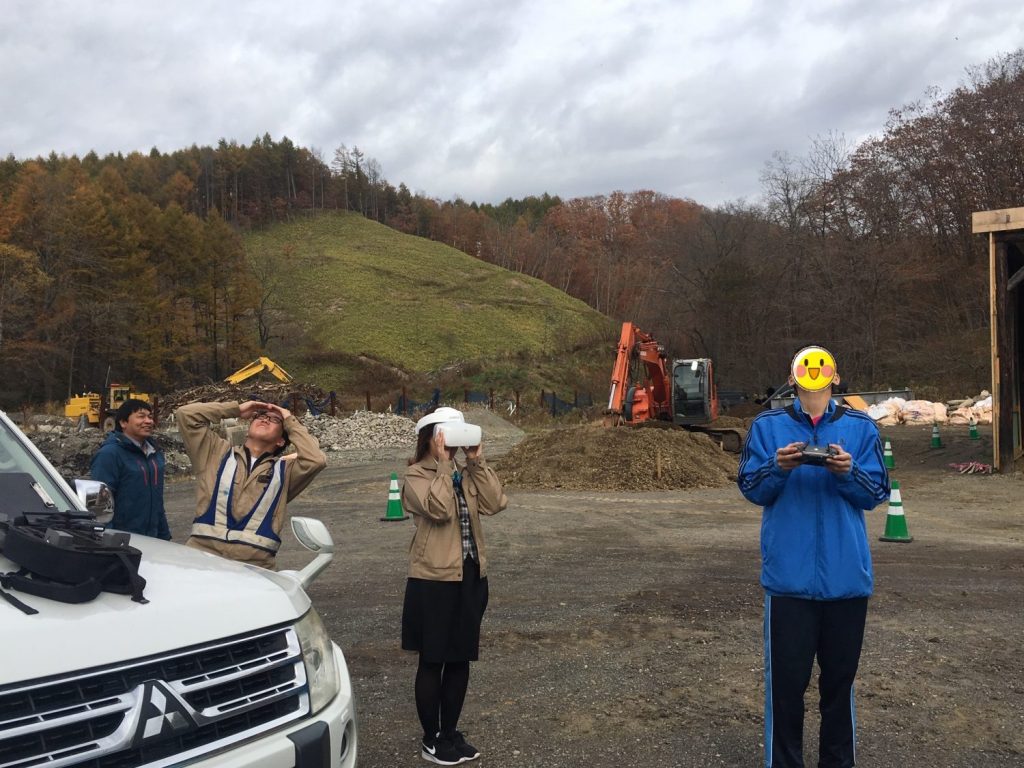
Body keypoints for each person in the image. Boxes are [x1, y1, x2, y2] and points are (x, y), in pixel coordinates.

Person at [737, 345, 889, 768]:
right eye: (807, 367)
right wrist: (777, 468)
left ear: (835, 377)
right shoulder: (767, 426)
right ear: (793, 377)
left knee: (839, 689)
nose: (815, 374)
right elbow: (750, 487)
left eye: (822, 368)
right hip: (788, 582)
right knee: (786, 690)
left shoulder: (861, 427)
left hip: (846, 581)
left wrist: (849, 472)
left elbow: (876, 492)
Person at [401, 406, 507, 765]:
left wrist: (475, 462)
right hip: (432, 579)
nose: (450, 445)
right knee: (432, 660)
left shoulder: (465, 473)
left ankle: (450, 733)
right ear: (429, 439)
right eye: (444, 436)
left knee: (460, 659)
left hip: (470, 576)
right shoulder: (415, 475)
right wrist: (445, 468)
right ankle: (431, 739)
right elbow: (439, 509)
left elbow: (496, 502)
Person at [176, 399, 326, 569]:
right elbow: (186, 414)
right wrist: (236, 410)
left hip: (256, 567)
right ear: (247, 430)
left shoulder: (285, 471)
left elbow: (316, 460)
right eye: (261, 416)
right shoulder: (214, 453)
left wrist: (289, 420)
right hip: (201, 559)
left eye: (275, 420)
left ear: (281, 441)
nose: (265, 419)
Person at [89, 398, 170, 540]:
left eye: (150, 417)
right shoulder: (109, 454)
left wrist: (164, 536)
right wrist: (108, 541)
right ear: (123, 422)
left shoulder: (155, 454)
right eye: (141, 416)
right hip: (123, 542)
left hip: (153, 540)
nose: (148, 421)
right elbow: (98, 506)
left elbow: (157, 502)